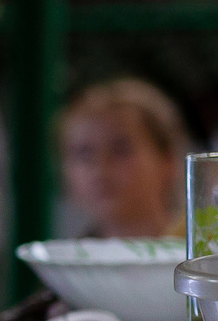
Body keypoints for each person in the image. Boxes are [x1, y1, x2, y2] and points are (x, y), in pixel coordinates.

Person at [59, 77, 190, 239]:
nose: (100, 167)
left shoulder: (205, 248)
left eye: (121, 149)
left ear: (168, 159)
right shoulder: (63, 255)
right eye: (83, 153)